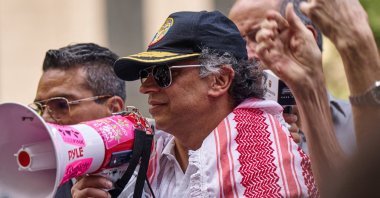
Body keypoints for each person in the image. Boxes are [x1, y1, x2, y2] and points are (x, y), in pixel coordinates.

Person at [72, 11, 318, 197]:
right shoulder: (155, 149)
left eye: (161, 73)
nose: (144, 87)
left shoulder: (266, 161)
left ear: (219, 80)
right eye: (144, 73)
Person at [254, 0, 380, 195]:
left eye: (254, 36)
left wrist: (358, 46)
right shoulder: (236, 139)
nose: (244, 53)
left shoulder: (355, 123)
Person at [229, 0, 356, 155]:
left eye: (258, 36)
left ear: (305, 39)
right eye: (238, 42)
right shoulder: (226, 136)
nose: (246, 55)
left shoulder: (363, 124)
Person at [29, 43, 126, 198]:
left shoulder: (156, 172)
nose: (45, 118)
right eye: (40, 108)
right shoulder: (30, 185)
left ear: (114, 109)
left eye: (61, 104)